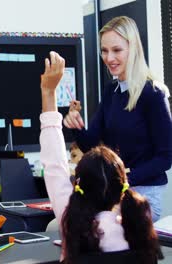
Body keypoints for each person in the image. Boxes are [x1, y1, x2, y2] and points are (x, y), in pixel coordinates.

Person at [40, 51, 162, 263]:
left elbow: (55, 166)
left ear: (77, 184)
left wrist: (48, 92)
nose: (109, 57)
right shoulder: (140, 229)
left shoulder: (70, 222)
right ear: (124, 184)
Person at [63, 16, 172, 222]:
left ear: (133, 49)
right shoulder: (111, 92)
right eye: (104, 51)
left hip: (143, 195)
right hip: (113, 193)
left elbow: (165, 158)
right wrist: (76, 126)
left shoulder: (153, 93)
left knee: (99, 230)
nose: (109, 57)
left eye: (116, 50)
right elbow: (92, 145)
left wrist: (123, 181)